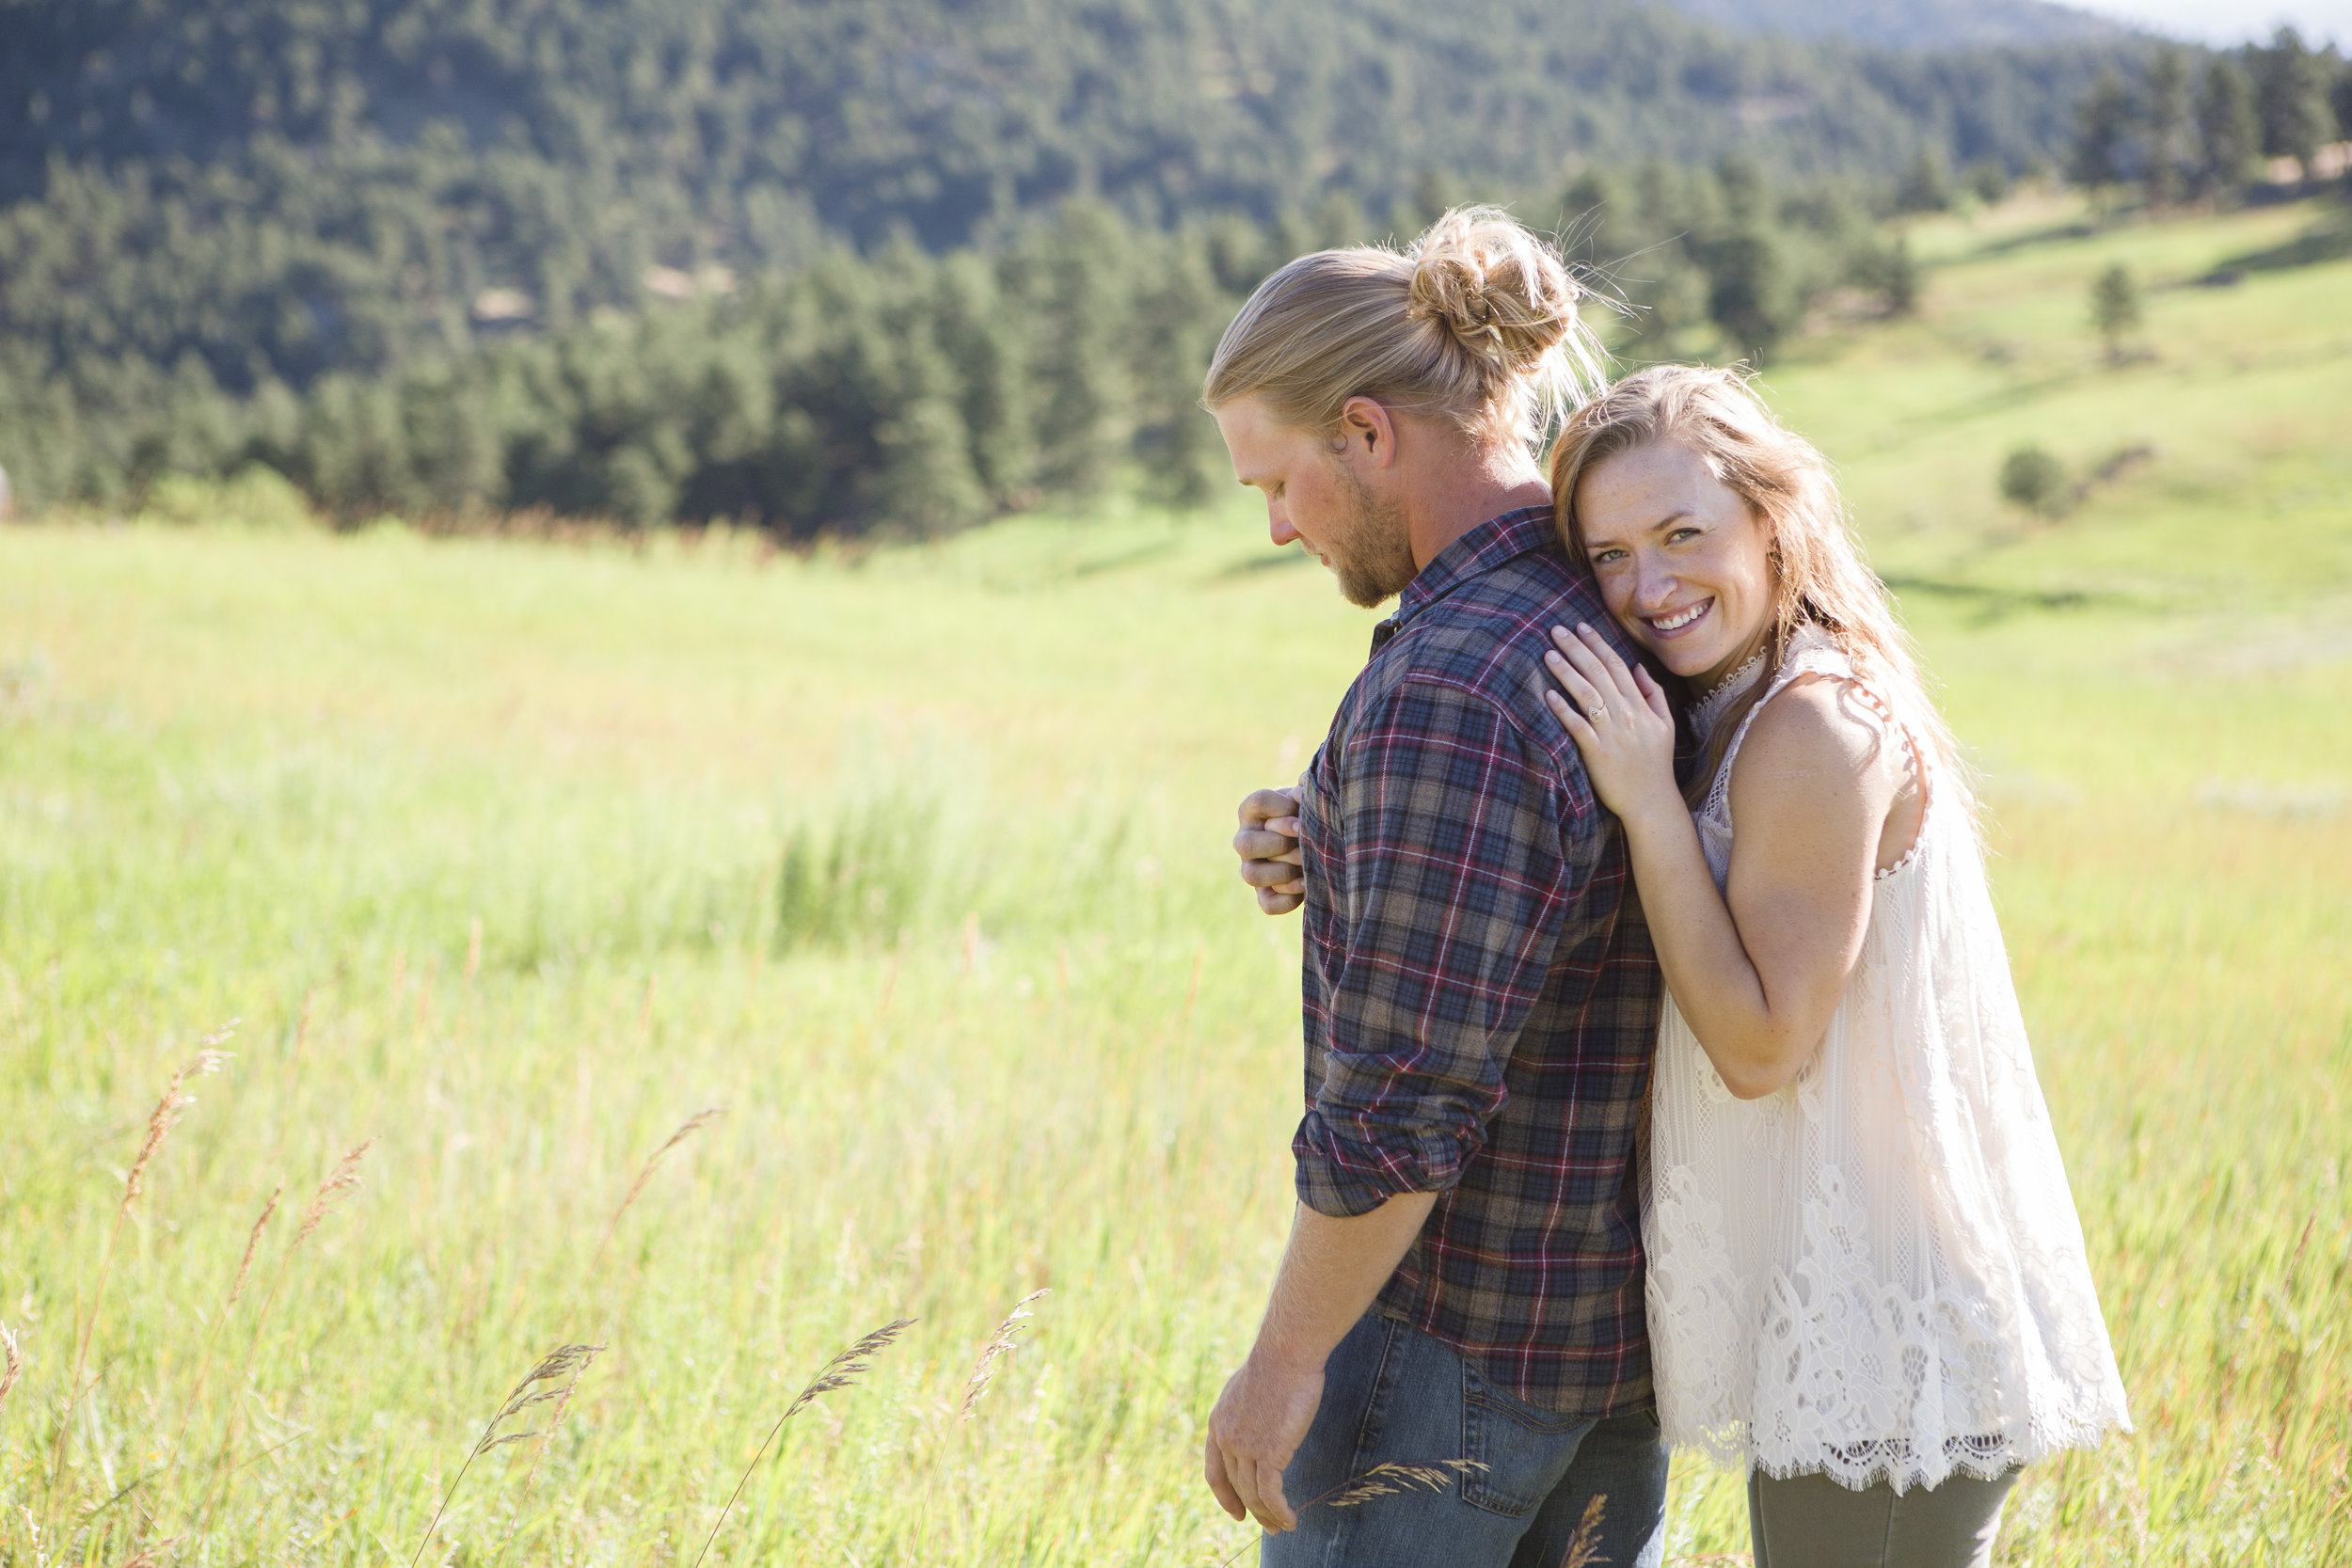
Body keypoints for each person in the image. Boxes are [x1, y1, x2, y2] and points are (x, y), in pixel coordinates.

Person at [1534, 365, 2131, 1568]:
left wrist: (1649, 806)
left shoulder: (1811, 723)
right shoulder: (1728, 703)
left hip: (1892, 1328)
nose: (1647, 586)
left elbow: (1761, 1046)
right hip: (1841, 1307)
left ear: (1772, 519)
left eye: (1680, 533)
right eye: (1606, 555)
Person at [1204, 208, 1671, 1568]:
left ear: (1366, 429)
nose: (1281, 527)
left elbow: (1402, 1101)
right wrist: (1337, 831)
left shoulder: (1455, 684)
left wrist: (1285, 1365)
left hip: (1441, 1357)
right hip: (1605, 1354)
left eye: (1276, 483)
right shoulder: (1590, 604)